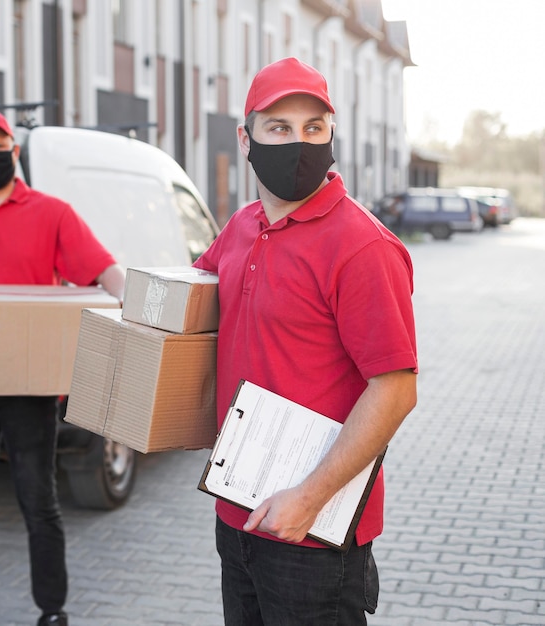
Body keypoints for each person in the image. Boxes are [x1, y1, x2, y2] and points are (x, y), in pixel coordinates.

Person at [193, 57, 418, 625]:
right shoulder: (241, 228)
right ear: (246, 138)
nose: (299, 143)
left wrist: (308, 498)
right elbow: (184, 310)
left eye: (313, 128)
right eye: (279, 128)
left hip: (315, 535)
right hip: (235, 511)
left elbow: (394, 390)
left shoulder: (363, 246)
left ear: (332, 134)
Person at [0, 108, 126, 626]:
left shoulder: (53, 213)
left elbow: (103, 271)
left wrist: (141, 309)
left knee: (39, 501)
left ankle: (52, 611)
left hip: (31, 385)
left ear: (14, 151)